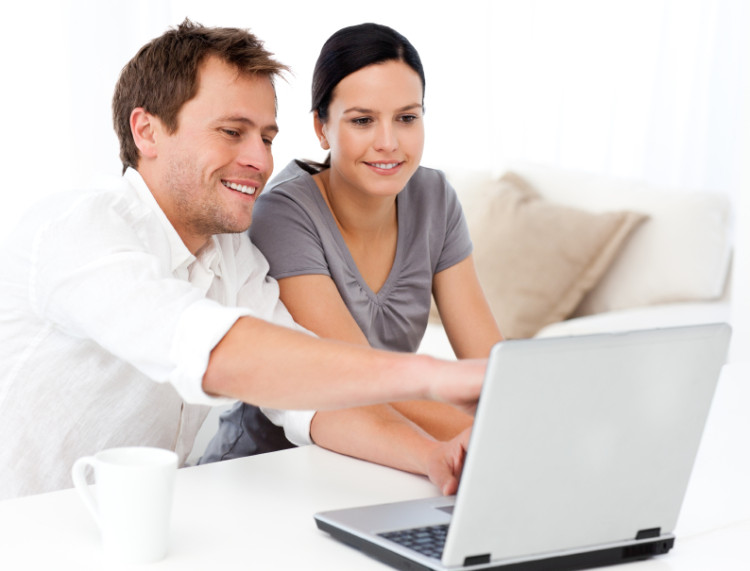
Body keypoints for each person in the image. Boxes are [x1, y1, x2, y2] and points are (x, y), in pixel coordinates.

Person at [0, 19, 487, 501]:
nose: (261, 160)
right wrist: (431, 375)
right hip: (27, 531)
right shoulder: (78, 230)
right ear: (147, 131)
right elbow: (213, 350)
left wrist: (429, 455)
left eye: (267, 138)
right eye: (232, 131)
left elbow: (309, 393)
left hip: (131, 527)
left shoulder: (232, 256)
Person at [201, 23, 502, 493]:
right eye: (362, 120)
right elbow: (356, 383)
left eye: (407, 118)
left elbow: (489, 364)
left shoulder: (435, 197)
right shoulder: (284, 213)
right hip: (270, 470)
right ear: (322, 127)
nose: (389, 142)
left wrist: (529, 421)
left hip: (397, 458)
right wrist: (498, 439)